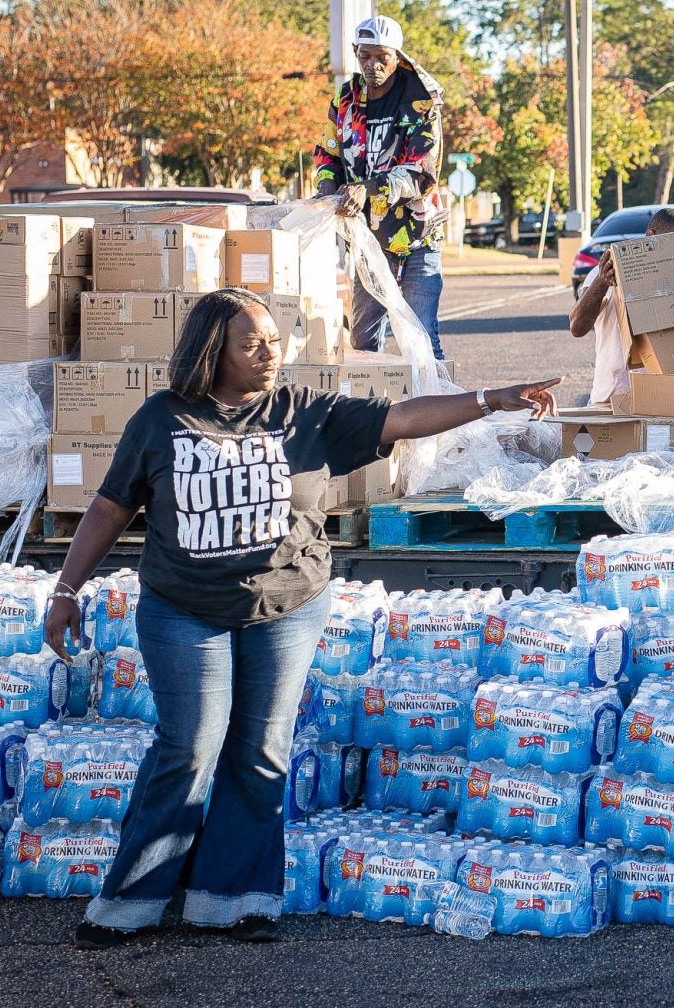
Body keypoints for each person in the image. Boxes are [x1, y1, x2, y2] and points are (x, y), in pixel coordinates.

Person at [43, 290, 558, 949]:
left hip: (287, 607)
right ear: (211, 352)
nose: (269, 353)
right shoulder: (162, 419)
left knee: (260, 752)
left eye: (273, 340)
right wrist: (65, 588)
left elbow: (403, 418)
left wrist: (491, 399)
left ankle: (233, 899)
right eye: (250, 344)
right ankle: (130, 901)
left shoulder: (305, 413)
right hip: (183, 610)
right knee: (189, 746)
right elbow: (111, 508)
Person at [314, 15, 451, 360]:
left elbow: (422, 173)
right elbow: (327, 153)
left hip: (417, 236)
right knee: (362, 343)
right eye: (364, 56)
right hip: (367, 241)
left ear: (396, 55)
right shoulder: (346, 99)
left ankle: (442, 411)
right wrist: (329, 191)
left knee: (422, 342)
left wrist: (367, 189)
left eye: (381, 57)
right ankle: (373, 413)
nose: (372, 65)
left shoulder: (420, 99)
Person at [569, 207, 674, 409]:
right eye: (671, 244)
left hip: (664, 397)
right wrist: (602, 282)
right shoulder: (609, 269)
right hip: (611, 398)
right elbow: (577, 327)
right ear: (650, 236)